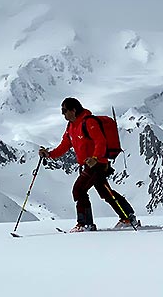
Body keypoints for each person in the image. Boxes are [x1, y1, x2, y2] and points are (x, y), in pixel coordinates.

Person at [39, 97, 138, 232]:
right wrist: (49, 154)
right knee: (105, 192)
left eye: (64, 111)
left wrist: (95, 158)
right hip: (90, 165)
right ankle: (128, 217)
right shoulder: (71, 127)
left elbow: (100, 142)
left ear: (73, 110)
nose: (63, 114)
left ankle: (85, 224)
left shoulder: (88, 122)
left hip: (97, 165)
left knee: (79, 190)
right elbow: (64, 146)